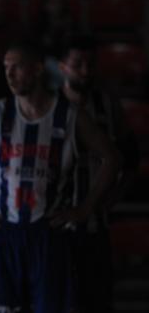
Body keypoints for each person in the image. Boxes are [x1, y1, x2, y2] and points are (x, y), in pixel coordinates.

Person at [0, 41, 119, 313]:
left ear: (38, 69)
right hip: (5, 230)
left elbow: (112, 158)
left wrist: (85, 209)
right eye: (6, 68)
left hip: (48, 233)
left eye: (17, 67)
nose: (10, 74)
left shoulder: (69, 116)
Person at [58, 37, 139, 313]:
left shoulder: (107, 105)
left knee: (96, 301)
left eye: (90, 64)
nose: (84, 70)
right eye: (77, 64)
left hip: (95, 227)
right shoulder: (49, 105)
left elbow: (130, 158)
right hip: (55, 227)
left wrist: (111, 198)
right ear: (62, 67)